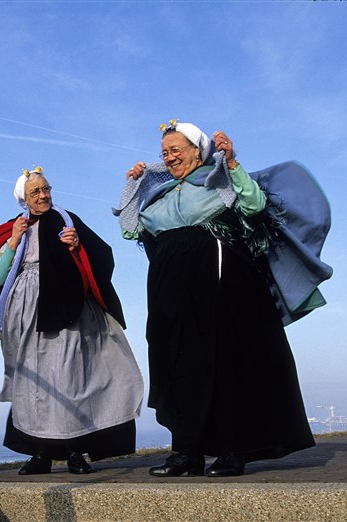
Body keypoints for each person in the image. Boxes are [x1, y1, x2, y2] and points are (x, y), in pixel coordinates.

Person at [114, 120, 331, 477]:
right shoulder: (162, 193)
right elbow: (131, 228)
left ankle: (233, 450)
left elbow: (254, 205)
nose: (170, 158)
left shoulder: (218, 181)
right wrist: (135, 184)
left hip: (219, 280)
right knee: (176, 361)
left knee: (225, 360)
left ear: (197, 152)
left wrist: (231, 163)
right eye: (164, 153)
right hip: (170, 286)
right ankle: (187, 452)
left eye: (176, 150)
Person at [0, 167, 144, 475]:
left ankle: (76, 451)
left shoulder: (67, 220)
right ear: (23, 199)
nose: (43, 195)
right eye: (35, 192)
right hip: (24, 311)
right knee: (32, 382)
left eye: (46, 189)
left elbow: (101, 257)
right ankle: (41, 455)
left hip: (67, 305)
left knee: (71, 376)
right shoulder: (12, 228)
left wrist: (78, 247)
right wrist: (13, 242)